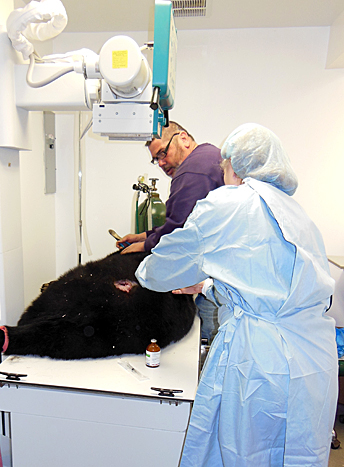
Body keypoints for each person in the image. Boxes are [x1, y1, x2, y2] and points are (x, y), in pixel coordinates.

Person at [136, 123, 338, 466]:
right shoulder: (298, 215)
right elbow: (272, 289)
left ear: (234, 165)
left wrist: (142, 273)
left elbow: (163, 270)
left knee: (243, 453)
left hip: (260, 362)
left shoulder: (228, 202)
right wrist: (207, 286)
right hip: (314, 361)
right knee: (298, 455)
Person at [117, 121, 224, 342]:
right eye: (156, 159)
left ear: (183, 138)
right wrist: (143, 236)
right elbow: (180, 219)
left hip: (219, 282)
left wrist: (144, 246)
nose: (161, 163)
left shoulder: (193, 171)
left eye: (163, 153)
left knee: (211, 339)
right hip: (218, 274)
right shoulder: (208, 156)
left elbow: (178, 229)